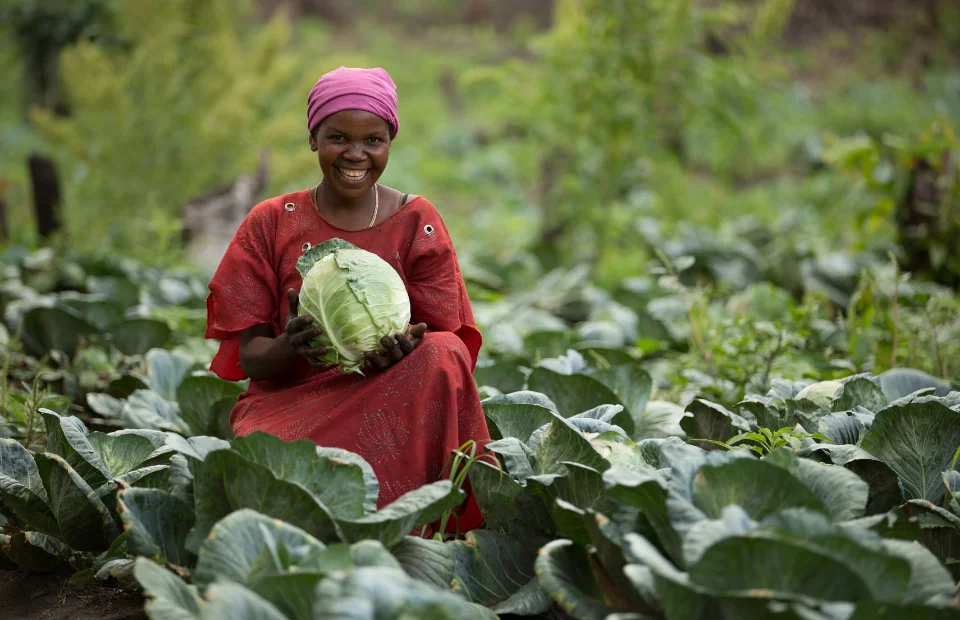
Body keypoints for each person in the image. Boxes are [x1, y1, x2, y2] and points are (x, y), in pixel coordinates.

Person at [204, 66, 491, 532]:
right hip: (294, 405)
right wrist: (287, 346)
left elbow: (446, 344)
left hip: (389, 395)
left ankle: (412, 526)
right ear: (314, 138)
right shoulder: (271, 221)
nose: (356, 154)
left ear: (389, 142)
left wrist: (404, 351)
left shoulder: (418, 220)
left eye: (373, 140)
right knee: (270, 471)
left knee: (445, 352)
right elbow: (250, 357)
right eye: (338, 137)